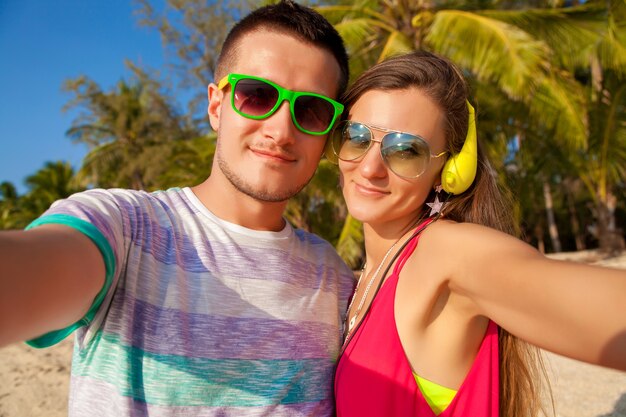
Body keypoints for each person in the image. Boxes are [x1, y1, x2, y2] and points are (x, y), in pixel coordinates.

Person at [0, 1, 356, 416]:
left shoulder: (335, 281)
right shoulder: (127, 229)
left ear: (328, 132)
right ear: (216, 106)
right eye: (257, 95)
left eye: (310, 109)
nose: (281, 130)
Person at [329, 50, 626, 417]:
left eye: (406, 150)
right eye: (356, 137)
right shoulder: (358, 282)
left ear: (449, 170)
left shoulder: (446, 254)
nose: (370, 167)